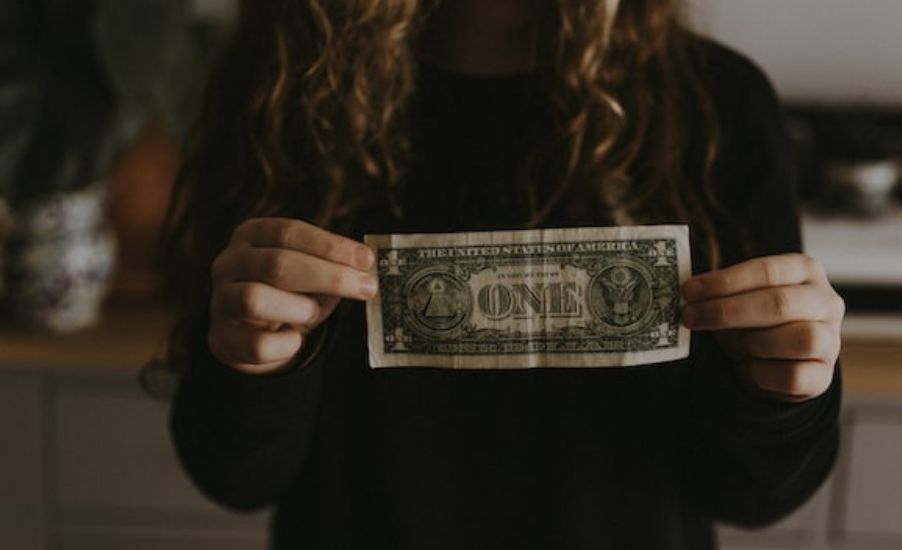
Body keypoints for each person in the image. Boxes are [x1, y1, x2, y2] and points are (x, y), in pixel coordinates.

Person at [163, 1, 844, 548]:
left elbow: (751, 495)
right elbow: (234, 476)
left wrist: (782, 395)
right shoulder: (278, 89)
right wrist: (251, 367)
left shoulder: (716, 105)